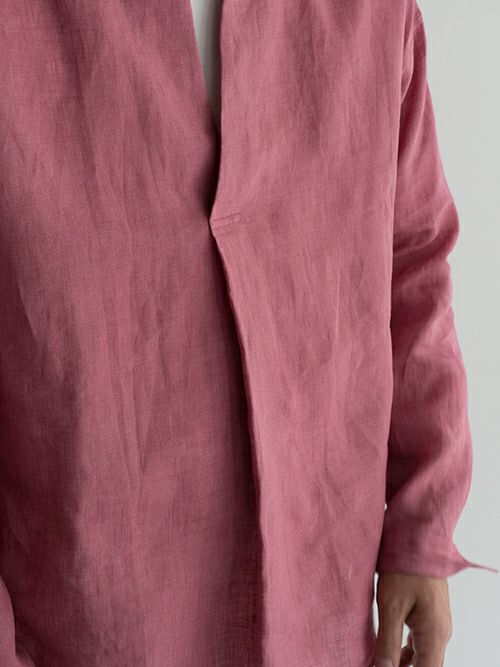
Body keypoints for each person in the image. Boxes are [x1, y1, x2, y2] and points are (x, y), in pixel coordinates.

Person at [0, 1, 496, 666]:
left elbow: (412, 264)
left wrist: (421, 528)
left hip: (324, 610)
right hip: (85, 624)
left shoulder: (374, 15)